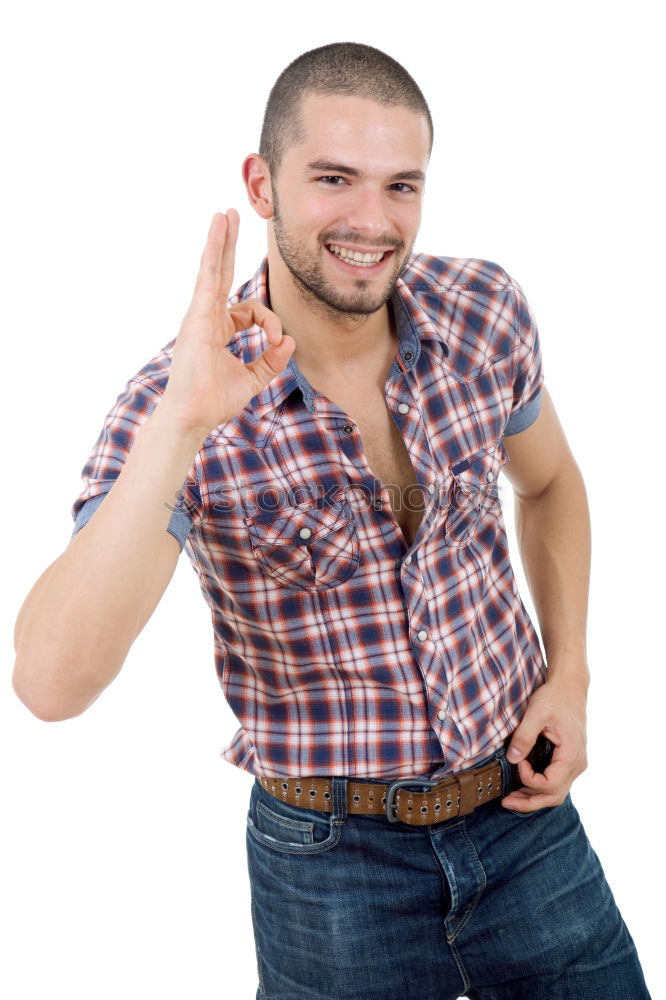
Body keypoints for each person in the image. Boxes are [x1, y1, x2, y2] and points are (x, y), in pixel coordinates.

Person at [13, 42, 650, 1000]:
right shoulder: (176, 404)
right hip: (329, 870)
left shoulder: (483, 312)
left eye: (402, 185)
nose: (372, 220)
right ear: (261, 184)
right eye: (334, 179)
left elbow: (552, 483)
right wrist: (183, 426)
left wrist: (571, 674)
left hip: (526, 824)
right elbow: (51, 683)